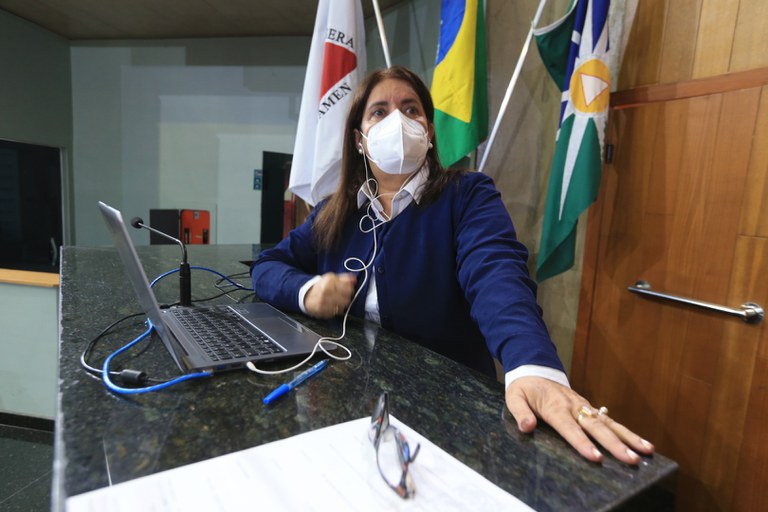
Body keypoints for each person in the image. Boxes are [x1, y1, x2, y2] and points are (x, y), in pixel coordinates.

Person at [251, 65, 654, 465]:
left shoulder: (467, 195)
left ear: (428, 132)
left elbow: (496, 275)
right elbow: (268, 265)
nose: (397, 121)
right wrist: (306, 291)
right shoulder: (334, 212)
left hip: (447, 415)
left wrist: (532, 364)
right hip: (349, 400)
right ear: (359, 140)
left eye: (411, 109)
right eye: (379, 112)